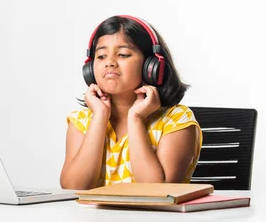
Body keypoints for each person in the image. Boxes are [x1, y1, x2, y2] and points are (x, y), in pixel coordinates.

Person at [60, 15, 202, 190]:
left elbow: (157, 191)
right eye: (102, 56)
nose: (110, 63)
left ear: (151, 66)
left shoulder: (176, 120)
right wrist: (100, 116)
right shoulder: (81, 121)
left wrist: (135, 119)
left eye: (123, 54)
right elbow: (74, 188)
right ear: (90, 69)